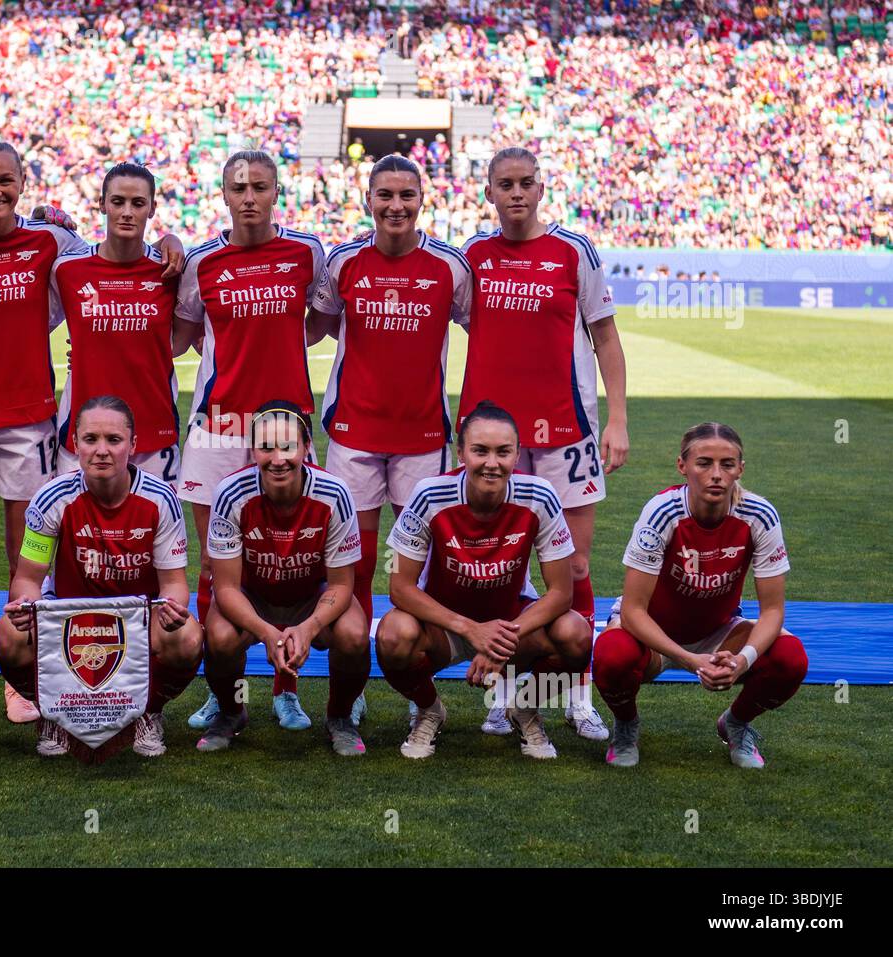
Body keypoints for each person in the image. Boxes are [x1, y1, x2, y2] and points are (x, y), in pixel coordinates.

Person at [0, 145, 184, 726]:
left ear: (22, 182)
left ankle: (25, 676)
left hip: (32, 420)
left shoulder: (53, 247)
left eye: (5, 181)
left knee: (25, 555)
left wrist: (173, 246)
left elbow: (81, 287)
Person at [456, 146, 628, 741]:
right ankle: (505, 693)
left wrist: (618, 419)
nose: (516, 193)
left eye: (526, 182)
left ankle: (576, 695)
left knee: (574, 566)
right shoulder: (472, 256)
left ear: (541, 187)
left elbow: (605, 337)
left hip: (566, 432)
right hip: (492, 442)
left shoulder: (573, 251)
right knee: (501, 569)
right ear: (489, 193)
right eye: (505, 184)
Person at [175, 149, 329, 732]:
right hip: (217, 425)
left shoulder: (306, 253)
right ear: (223, 194)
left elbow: (317, 323)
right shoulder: (201, 260)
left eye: (259, 187)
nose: (248, 197)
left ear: (274, 193)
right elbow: (184, 335)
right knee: (217, 567)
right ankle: (225, 692)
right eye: (238, 187)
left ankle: (287, 689)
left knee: (290, 563)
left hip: (285, 427)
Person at [375, 402, 593, 760]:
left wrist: (501, 639)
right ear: (460, 452)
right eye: (480, 451)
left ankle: (524, 709)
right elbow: (400, 588)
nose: (492, 463)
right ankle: (429, 710)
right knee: (393, 635)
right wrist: (471, 630)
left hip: (512, 626)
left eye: (503, 452)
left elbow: (561, 594)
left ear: (517, 454)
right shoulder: (429, 494)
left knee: (576, 634)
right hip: (442, 627)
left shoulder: (540, 495)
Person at [308, 154, 468, 639]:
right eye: (385, 195)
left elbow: (483, 330)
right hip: (355, 432)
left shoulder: (449, 265)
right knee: (353, 556)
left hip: (422, 436)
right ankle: (353, 664)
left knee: (422, 557)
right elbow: (316, 328)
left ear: (422, 200)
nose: (396, 206)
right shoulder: (343, 262)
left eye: (406, 195)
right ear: (368, 200)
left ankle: (420, 663)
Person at [0, 395, 202, 758]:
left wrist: (170, 611)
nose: (101, 450)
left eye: (114, 440)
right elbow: (28, 577)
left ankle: (148, 712)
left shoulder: (161, 500)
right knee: (9, 634)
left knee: (186, 635)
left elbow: (174, 585)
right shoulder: (51, 498)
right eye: (91, 440)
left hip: (137, 620)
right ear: (75, 444)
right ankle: (52, 713)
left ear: (133, 445)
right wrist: (27, 603)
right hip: (69, 619)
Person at [593, 422, 807, 769]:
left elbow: (772, 612)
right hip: (653, 632)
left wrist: (744, 660)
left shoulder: (759, 514)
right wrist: (690, 661)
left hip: (719, 633)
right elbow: (633, 611)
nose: (717, 474)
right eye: (704, 463)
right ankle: (627, 725)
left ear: (741, 469)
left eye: (727, 464)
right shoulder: (663, 512)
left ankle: (736, 723)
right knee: (612, 654)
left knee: (790, 657)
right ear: (683, 466)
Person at [197, 402, 369, 756]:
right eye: (266, 447)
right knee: (219, 633)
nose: (278, 459)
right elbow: (226, 587)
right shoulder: (231, 493)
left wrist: (308, 627)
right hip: (253, 597)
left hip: (311, 597)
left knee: (354, 631)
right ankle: (231, 714)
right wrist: (266, 631)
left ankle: (339, 718)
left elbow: (341, 584)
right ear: (252, 450)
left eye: (288, 446)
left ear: (307, 446)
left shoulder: (334, 493)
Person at [51, 161, 199, 482]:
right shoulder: (67, 269)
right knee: (78, 530)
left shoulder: (171, 270)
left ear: (153, 208)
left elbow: (182, 341)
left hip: (153, 433)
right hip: (82, 434)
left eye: (138, 203)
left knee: (153, 529)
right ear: (102, 204)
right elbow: (26, 317)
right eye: (117, 202)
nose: (127, 212)